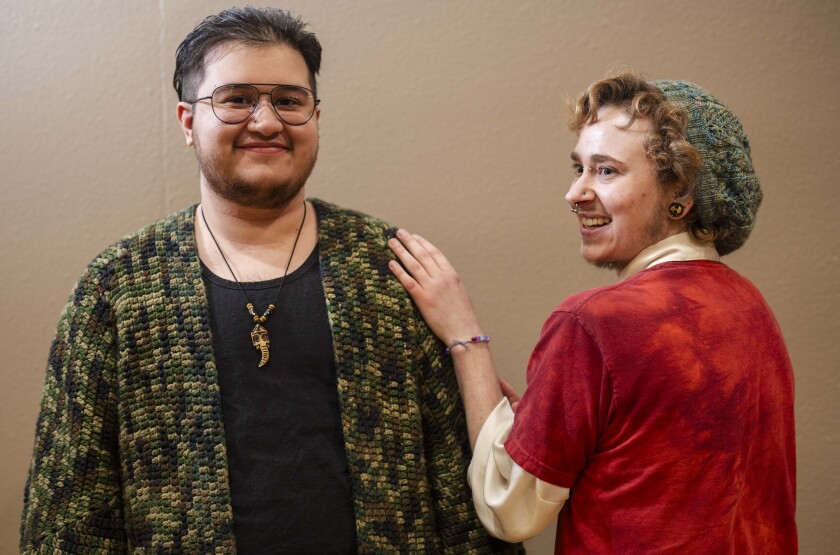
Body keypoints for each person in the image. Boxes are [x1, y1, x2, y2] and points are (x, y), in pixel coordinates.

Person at [20, 7, 524, 554]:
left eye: (289, 101)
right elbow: (68, 512)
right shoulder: (117, 288)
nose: (266, 122)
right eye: (236, 100)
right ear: (189, 122)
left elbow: (460, 493)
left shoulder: (392, 269)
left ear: (315, 115)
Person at [389, 73, 797, 553]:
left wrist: (465, 336)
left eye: (606, 171)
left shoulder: (594, 323)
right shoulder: (750, 308)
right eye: (578, 168)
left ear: (679, 192)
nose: (575, 193)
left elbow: (509, 507)